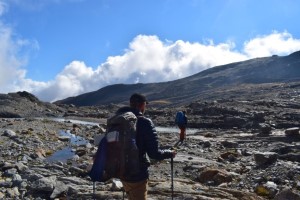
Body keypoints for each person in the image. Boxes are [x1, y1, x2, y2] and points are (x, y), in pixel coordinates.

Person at [116, 93, 176, 200]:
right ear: (142, 105)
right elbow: (154, 154)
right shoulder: (145, 122)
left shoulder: (119, 120)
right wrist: (170, 153)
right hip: (137, 174)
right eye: (145, 105)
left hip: (121, 171)